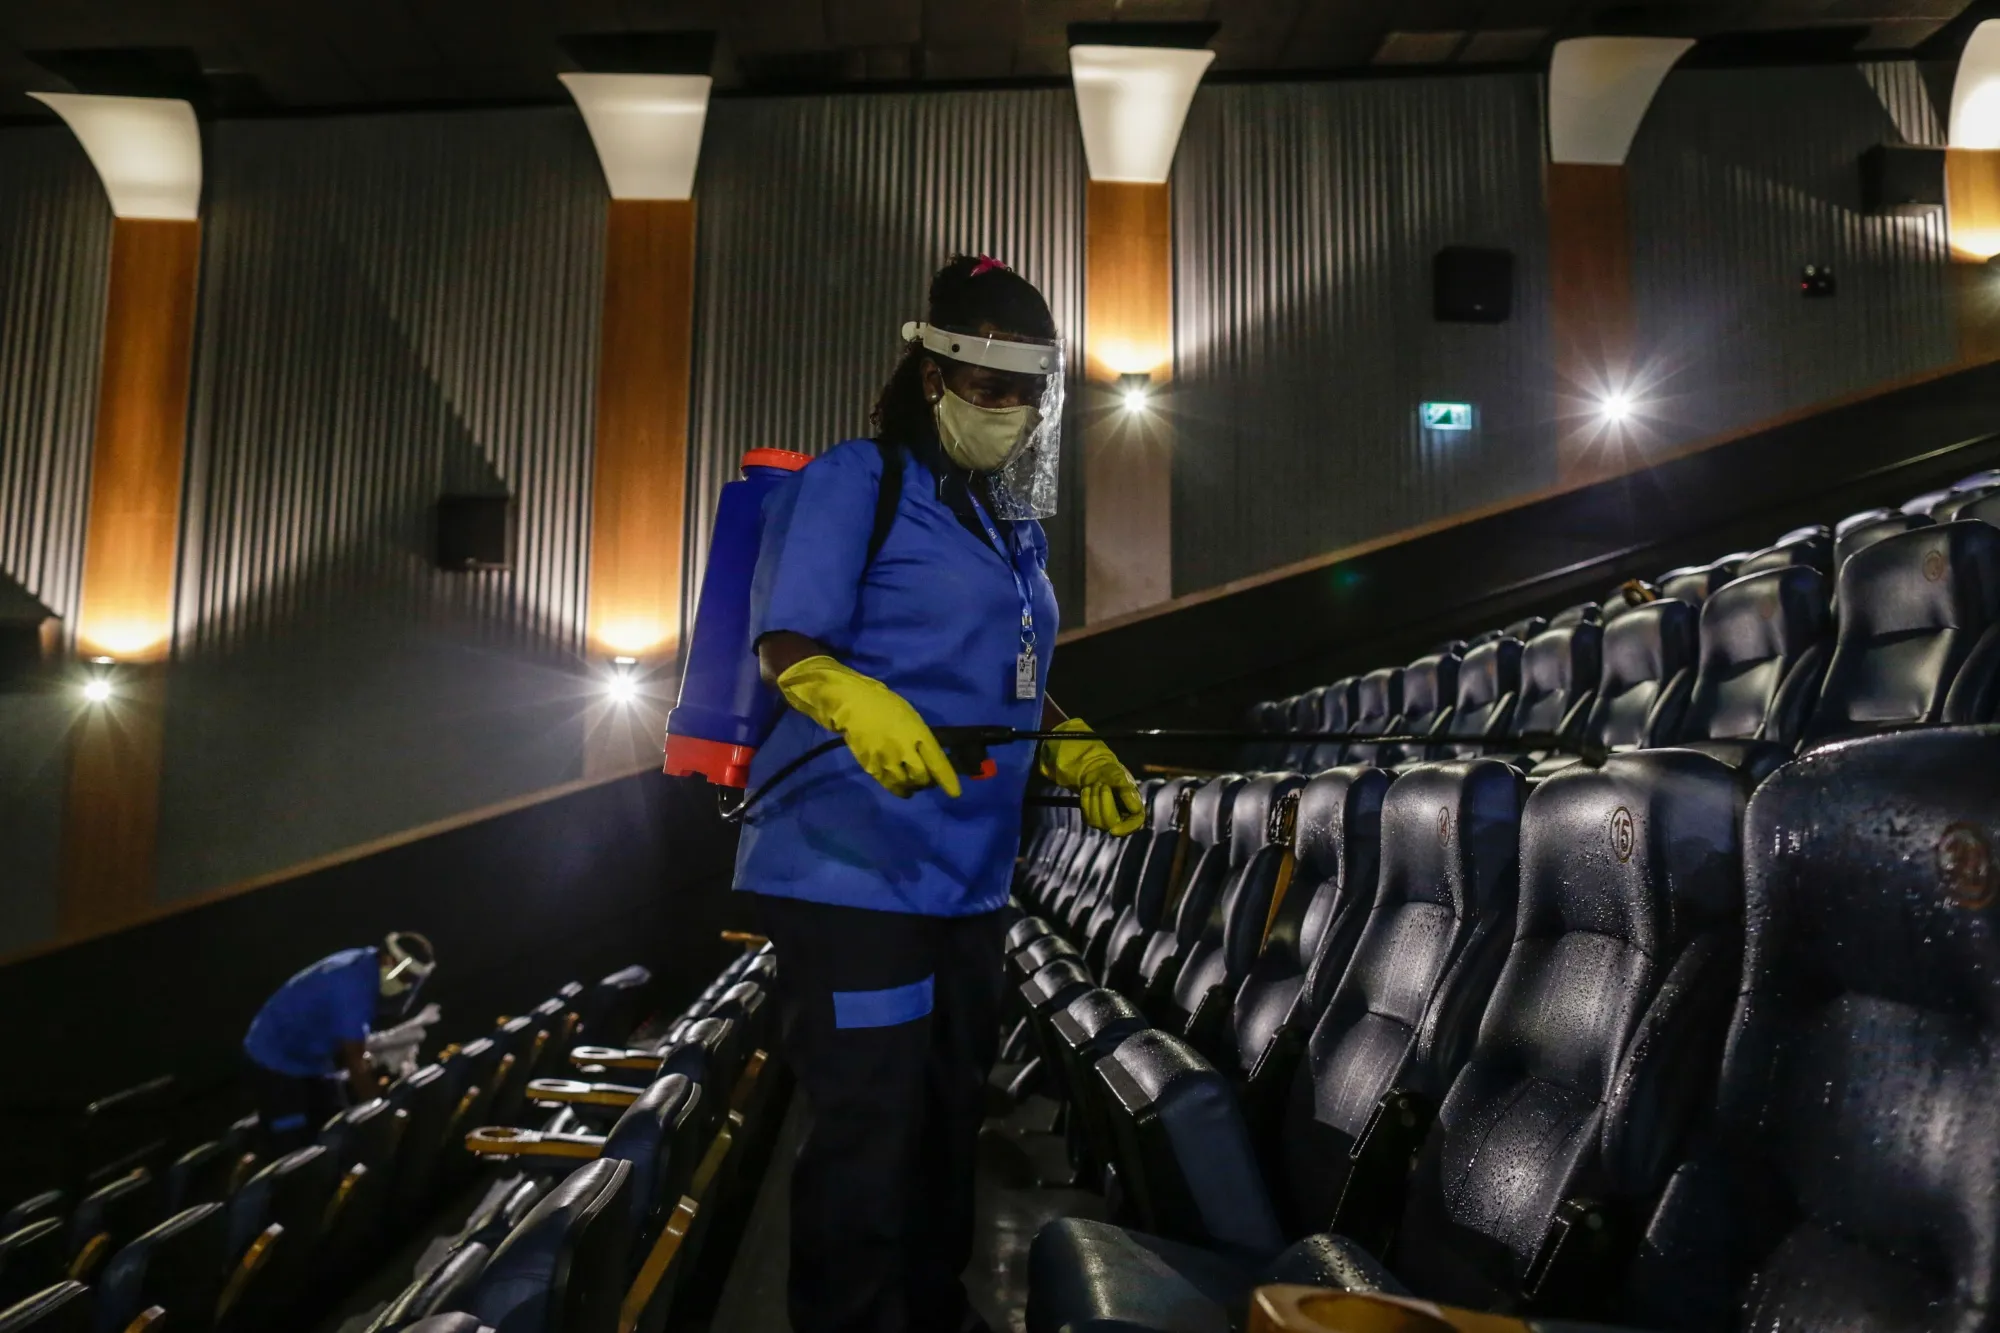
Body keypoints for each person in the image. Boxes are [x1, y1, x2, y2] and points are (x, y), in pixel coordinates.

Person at [738, 254, 1145, 1333]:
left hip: (963, 883)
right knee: (868, 1131)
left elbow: (1009, 667)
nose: (1010, 412)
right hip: (853, 871)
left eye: (1029, 394)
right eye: (989, 389)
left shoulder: (1006, 526)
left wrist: (1068, 744)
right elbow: (786, 642)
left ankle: (933, 1317)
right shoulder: (855, 483)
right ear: (931, 375)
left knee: (942, 1120)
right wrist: (849, 698)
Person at [242, 931, 436, 1152]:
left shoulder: (369, 963)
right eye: (406, 978)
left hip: (314, 1060)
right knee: (294, 1147)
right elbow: (355, 1063)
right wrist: (382, 1115)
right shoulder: (351, 987)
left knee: (335, 1125)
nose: (407, 987)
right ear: (389, 961)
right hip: (273, 1060)